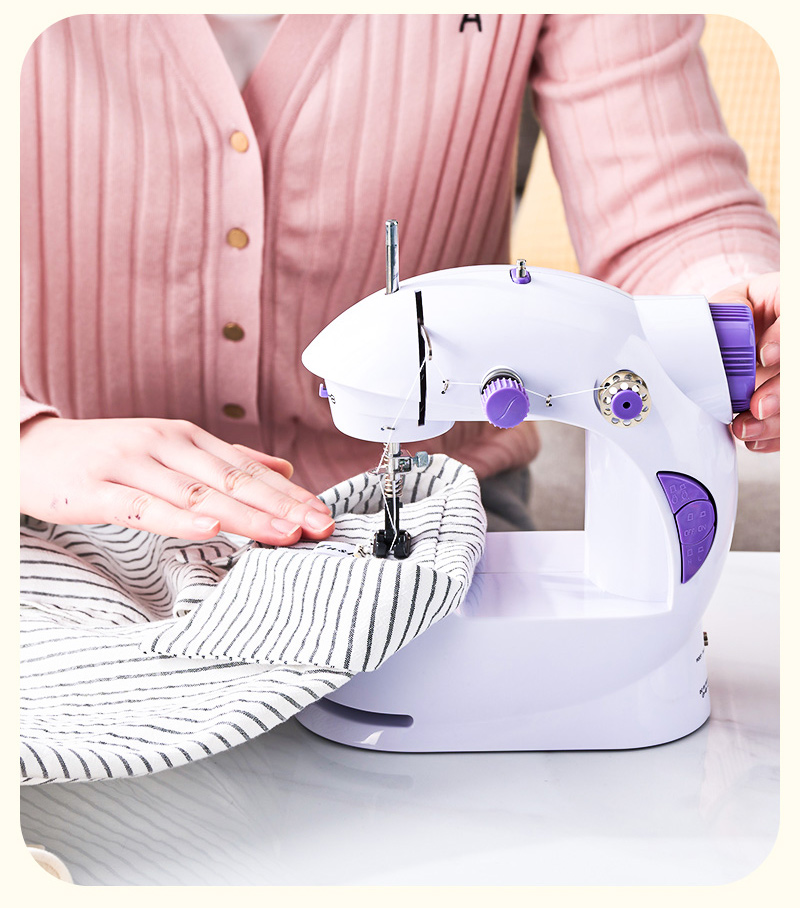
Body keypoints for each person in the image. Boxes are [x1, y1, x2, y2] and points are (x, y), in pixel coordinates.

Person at [19, 13, 780, 542]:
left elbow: (668, 213)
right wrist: (22, 438)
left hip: (439, 501)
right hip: (55, 503)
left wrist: (744, 312)